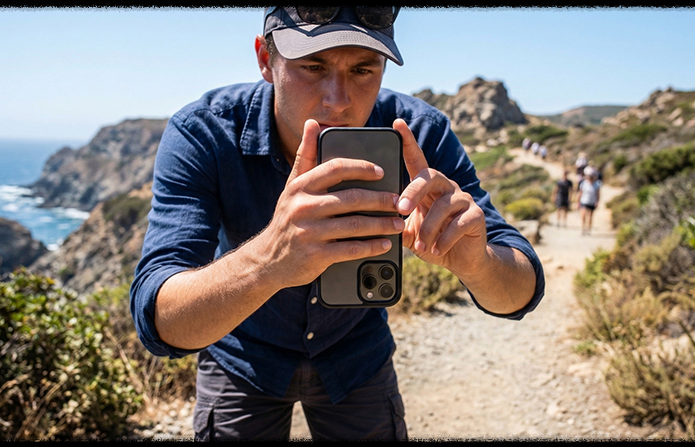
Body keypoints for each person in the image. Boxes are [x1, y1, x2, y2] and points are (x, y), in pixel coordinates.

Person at [130, 7, 545, 441]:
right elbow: (159, 323)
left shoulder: (419, 132)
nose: (338, 99)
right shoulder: (204, 132)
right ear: (264, 60)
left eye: (363, 69)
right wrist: (268, 259)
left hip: (355, 353)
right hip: (242, 353)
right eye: (313, 66)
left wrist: (477, 264)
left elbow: (520, 292)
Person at [576, 166, 600, 235]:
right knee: (583, 215)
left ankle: (588, 229)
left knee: (590, 216)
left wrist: (597, 202)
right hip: (584, 201)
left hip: (592, 201)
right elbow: (580, 193)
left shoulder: (596, 184)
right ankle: (583, 228)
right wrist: (577, 202)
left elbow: (598, 194)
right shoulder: (583, 183)